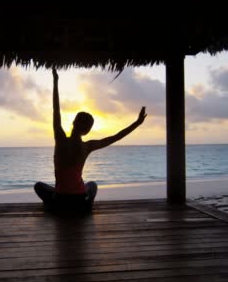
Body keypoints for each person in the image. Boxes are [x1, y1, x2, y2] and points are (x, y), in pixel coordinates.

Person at [34, 68, 147, 211]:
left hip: (60, 199)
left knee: (39, 186)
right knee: (92, 185)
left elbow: (56, 110)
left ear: (73, 122)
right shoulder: (87, 146)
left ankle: (56, 206)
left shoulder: (60, 138)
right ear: (87, 131)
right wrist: (137, 123)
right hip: (79, 201)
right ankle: (84, 206)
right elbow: (116, 137)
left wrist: (55, 81)